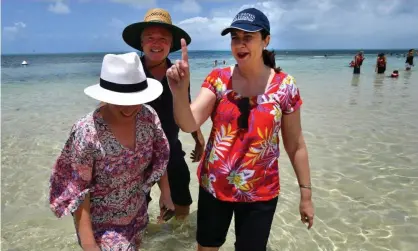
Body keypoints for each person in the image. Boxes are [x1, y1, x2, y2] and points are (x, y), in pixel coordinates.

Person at [166, 8, 314, 251]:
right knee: (206, 248)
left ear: (266, 40)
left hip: (261, 191)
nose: (240, 44)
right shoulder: (218, 79)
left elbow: (295, 144)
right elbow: (189, 123)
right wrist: (180, 92)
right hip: (215, 186)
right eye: (235, 37)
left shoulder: (285, 86)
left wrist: (306, 195)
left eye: (248, 37)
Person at [49, 52, 174, 250]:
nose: (129, 107)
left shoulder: (148, 116)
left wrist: (165, 194)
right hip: (101, 227)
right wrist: (89, 243)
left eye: (135, 99)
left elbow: (159, 156)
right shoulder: (87, 132)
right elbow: (80, 192)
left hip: (138, 213)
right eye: (120, 99)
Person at [122, 8, 205, 220]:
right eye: (150, 38)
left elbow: (185, 107)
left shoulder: (178, 73)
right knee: (135, 211)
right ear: (141, 43)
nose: (156, 43)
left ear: (171, 45)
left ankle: (177, 240)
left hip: (171, 149)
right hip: (136, 156)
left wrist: (198, 138)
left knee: (182, 204)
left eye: (163, 39)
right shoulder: (130, 74)